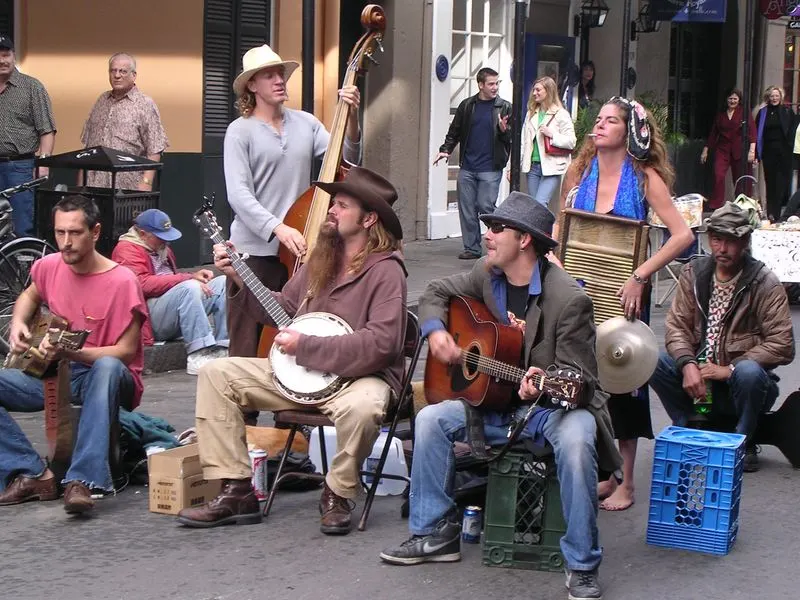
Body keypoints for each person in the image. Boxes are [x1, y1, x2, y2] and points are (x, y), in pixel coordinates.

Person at [379, 192, 620, 600]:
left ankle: (581, 563)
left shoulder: (568, 299)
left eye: (496, 229)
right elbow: (435, 291)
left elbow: (581, 380)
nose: (486, 236)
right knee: (429, 420)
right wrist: (436, 331)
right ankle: (435, 533)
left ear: (524, 240)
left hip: (548, 409)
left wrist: (545, 381)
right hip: (495, 405)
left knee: (578, 439)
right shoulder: (486, 274)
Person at [176, 167, 406, 534]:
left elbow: (383, 343)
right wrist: (238, 276)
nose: (331, 210)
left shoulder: (386, 271)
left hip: (357, 378)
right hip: (297, 373)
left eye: (342, 205)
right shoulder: (323, 257)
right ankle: (236, 489)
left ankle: (338, 492)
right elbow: (282, 306)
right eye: (333, 203)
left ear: (369, 219)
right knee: (217, 374)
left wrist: (307, 346)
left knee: (365, 408)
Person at [559, 97, 694, 511]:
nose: (598, 126)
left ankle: (627, 482)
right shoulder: (579, 171)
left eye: (610, 120)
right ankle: (603, 472)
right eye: (597, 119)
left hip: (626, 288)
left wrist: (640, 275)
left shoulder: (644, 177)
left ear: (630, 132)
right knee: (583, 375)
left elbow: (682, 235)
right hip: (581, 287)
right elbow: (562, 224)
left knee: (624, 380)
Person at [0, 194, 146, 514]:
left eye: (74, 233)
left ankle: (83, 480)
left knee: (106, 366)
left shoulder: (123, 281)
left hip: (107, 375)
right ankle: (32, 473)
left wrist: (75, 353)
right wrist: (17, 325)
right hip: (56, 371)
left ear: (94, 232)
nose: (65, 242)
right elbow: (29, 295)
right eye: (59, 233)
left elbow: (125, 352)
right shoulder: (50, 266)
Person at [223, 44, 362, 360]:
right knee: (247, 342)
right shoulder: (238, 132)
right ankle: (243, 410)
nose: (279, 80)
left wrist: (350, 117)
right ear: (252, 86)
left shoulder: (306, 123)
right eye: (269, 75)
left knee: (290, 337)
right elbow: (239, 195)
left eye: (281, 74)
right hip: (256, 250)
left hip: (300, 250)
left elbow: (346, 158)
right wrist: (279, 229)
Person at [650, 203, 794, 472]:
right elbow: (677, 327)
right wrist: (688, 364)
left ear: (745, 242)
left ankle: (743, 441)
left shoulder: (764, 282)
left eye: (731, 241)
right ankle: (690, 426)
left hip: (742, 386)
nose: (722, 249)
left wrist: (729, 369)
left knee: (748, 372)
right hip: (699, 384)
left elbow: (783, 344)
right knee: (653, 361)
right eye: (717, 240)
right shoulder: (693, 274)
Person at [112, 208, 228, 375]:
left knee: (223, 283)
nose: (165, 241)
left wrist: (193, 280)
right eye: (160, 237)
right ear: (143, 234)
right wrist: (187, 278)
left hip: (172, 308)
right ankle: (199, 354)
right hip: (149, 318)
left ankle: (223, 348)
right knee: (189, 287)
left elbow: (174, 281)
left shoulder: (162, 248)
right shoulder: (126, 249)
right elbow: (141, 284)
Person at [434, 67, 512, 260]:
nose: (495, 87)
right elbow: (455, 130)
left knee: (485, 205)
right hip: (468, 166)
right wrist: (446, 149)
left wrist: (504, 131)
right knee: (467, 208)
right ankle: (472, 248)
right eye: (491, 84)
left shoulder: (505, 107)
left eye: (497, 83)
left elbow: (512, 138)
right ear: (480, 85)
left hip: (491, 167)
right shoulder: (467, 106)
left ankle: (505, 238)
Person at [80, 52, 168, 191]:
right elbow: (88, 146)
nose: (117, 75)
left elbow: (155, 147)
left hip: (128, 186)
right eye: (113, 70)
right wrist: (81, 184)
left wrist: (147, 182)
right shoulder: (101, 101)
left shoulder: (145, 104)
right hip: (94, 184)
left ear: (134, 75)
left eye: (123, 71)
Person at [0, 35, 56, 236]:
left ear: (14, 56)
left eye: (6, 55)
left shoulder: (32, 87)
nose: (2, 60)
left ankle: (24, 267)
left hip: (20, 168)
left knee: (22, 225)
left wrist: (44, 164)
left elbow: (47, 129)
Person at [520, 76, 576, 207]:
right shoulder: (531, 113)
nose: (534, 93)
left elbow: (571, 141)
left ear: (548, 91)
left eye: (538, 90)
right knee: (534, 206)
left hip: (551, 166)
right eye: (534, 90)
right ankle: (541, 228)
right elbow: (524, 141)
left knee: (541, 203)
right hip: (532, 166)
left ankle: (545, 228)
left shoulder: (561, 114)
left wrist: (552, 135)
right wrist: (516, 164)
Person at [701, 88, 757, 209]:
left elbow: (752, 131)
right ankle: (716, 204)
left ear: (739, 100)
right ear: (726, 100)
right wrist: (706, 150)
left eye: (735, 99)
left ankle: (742, 203)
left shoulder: (744, 113)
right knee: (718, 175)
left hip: (740, 149)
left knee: (740, 178)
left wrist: (752, 151)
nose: (732, 101)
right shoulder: (721, 114)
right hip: (723, 149)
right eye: (730, 98)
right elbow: (713, 133)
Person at [755, 86, 796, 221]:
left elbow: (792, 131)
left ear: (781, 97)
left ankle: (777, 213)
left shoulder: (787, 111)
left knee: (781, 184)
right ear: (768, 97)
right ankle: (771, 213)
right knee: (770, 182)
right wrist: (756, 154)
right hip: (768, 152)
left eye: (776, 96)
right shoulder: (763, 112)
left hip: (784, 153)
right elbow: (757, 134)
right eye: (772, 96)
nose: (774, 98)